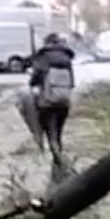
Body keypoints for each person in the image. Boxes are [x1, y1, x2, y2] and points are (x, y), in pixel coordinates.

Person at [23, 32, 76, 167]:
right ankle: (58, 163)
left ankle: (59, 162)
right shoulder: (66, 58)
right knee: (58, 134)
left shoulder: (43, 57)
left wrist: (33, 82)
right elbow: (72, 83)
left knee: (49, 132)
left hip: (47, 103)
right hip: (64, 102)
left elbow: (35, 79)